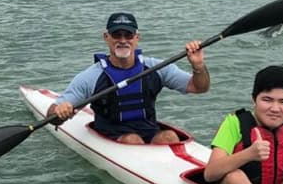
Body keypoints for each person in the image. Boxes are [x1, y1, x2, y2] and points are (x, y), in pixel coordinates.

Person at [48, 12, 210, 145]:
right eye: (117, 34)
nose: (123, 40)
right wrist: (59, 111)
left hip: (148, 131)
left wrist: (198, 66)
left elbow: (199, 87)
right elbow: (52, 115)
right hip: (111, 136)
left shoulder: (155, 68)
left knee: (169, 137)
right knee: (132, 140)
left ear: (137, 38)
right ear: (106, 37)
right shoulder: (91, 77)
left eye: (128, 35)